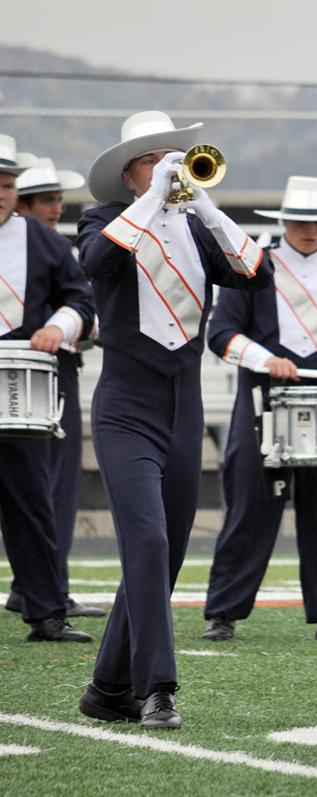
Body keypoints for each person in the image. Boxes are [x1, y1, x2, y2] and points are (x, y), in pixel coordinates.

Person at [75, 111, 272, 730]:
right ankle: (156, 686)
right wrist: (156, 196)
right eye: (152, 160)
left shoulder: (195, 227)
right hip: (127, 406)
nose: (168, 167)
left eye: (174, 158)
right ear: (129, 171)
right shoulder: (105, 219)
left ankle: (107, 688)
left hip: (185, 405)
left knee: (168, 551)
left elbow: (254, 273)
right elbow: (97, 263)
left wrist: (208, 206)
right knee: (148, 540)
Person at [201, 176, 317, 642]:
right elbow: (220, 333)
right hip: (263, 405)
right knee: (250, 509)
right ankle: (224, 611)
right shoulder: (254, 267)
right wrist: (266, 359)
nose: (309, 230)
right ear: (283, 222)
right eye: (300, 221)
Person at [0, 135, 95, 644]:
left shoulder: (46, 242)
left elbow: (79, 299)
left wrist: (58, 326)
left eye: (8, 184)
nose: (1, 192)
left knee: (31, 498)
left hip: (21, 388)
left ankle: (45, 611)